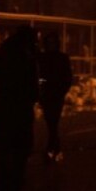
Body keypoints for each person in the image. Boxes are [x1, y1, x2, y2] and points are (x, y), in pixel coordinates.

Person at [0, 25, 39, 191]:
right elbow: (34, 93)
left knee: (2, 165)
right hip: (19, 119)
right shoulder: (28, 61)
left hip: (1, 118)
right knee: (17, 166)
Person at [37, 31, 73, 162]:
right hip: (47, 92)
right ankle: (54, 147)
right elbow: (40, 76)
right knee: (50, 121)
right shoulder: (43, 58)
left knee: (53, 120)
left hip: (57, 92)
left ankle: (53, 147)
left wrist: (63, 88)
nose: (50, 45)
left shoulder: (62, 58)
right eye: (48, 43)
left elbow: (67, 76)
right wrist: (41, 88)